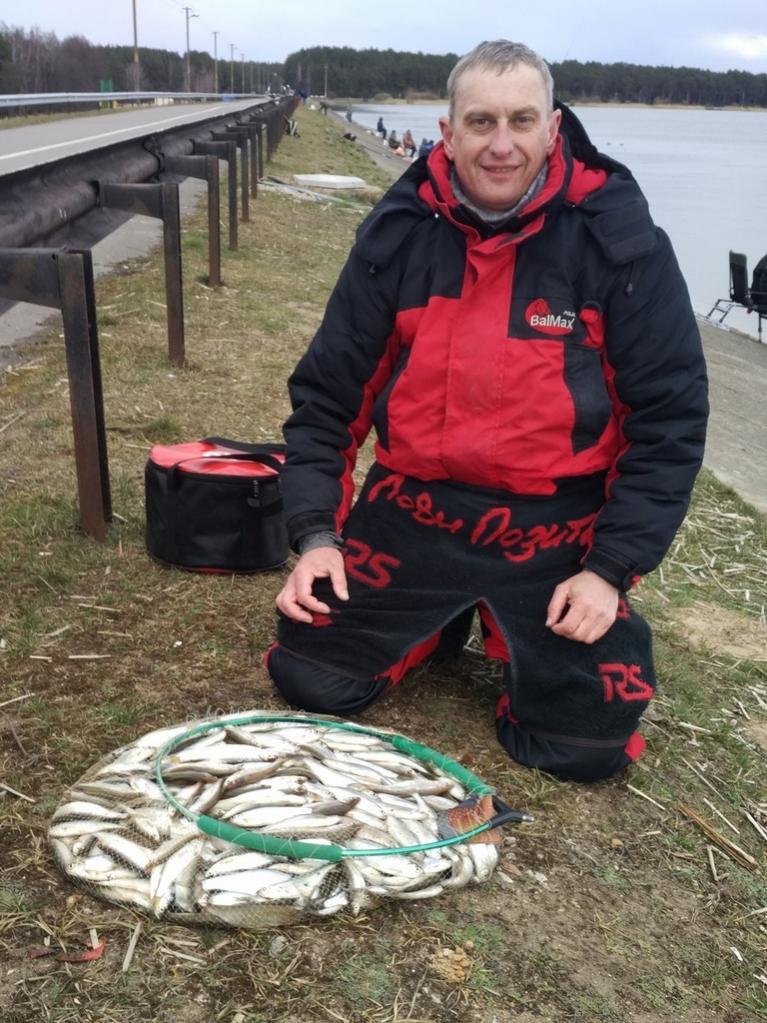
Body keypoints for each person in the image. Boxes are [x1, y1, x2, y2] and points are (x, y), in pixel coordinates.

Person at [267, 40, 708, 784]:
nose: (501, 145)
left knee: (580, 748)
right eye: (480, 122)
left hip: (556, 527)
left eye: (520, 120)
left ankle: (509, 626)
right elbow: (326, 400)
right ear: (447, 133)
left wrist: (608, 570)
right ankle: (433, 624)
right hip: (414, 510)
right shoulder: (398, 234)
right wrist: (315, 536)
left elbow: (668, 423)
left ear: (553, 127)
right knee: (312, 677)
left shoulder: (620, 243)